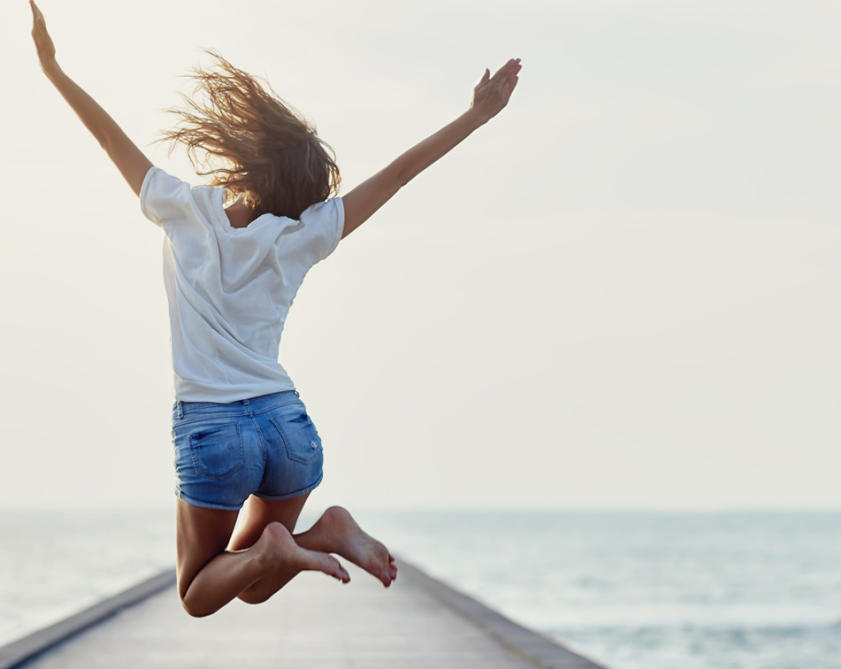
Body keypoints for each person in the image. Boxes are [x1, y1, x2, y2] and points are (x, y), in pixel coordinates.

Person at [28, 0, 521, 618]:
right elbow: (396, 175)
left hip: (214, 428)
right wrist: (475, 117)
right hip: (287, 428)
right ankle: (322, 534)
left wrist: (54, 70)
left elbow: (107, 135)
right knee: (254, 578)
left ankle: (292, 547)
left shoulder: (183, 209)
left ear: (249, 161)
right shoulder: (302, 236)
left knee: (199, 593)